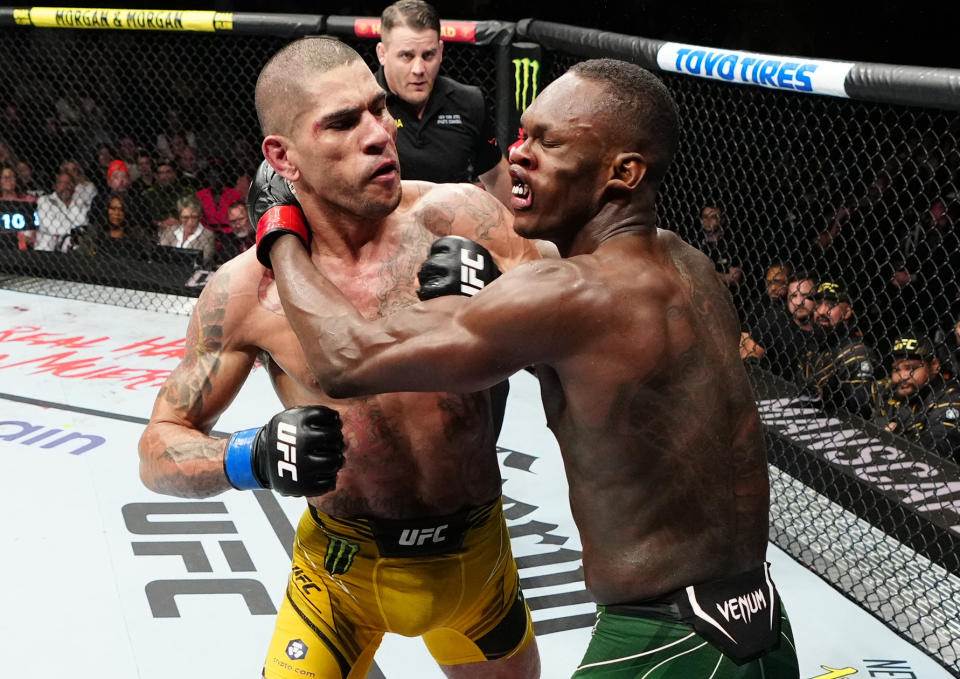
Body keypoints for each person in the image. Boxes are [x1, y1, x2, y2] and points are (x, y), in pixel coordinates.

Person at [264, 57, 799, 677]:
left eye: (549, 142)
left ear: (622, 173)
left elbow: (346, 360)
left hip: (664, 646)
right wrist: (493, 293)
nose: (519, 155)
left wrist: (279, 228)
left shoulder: (567, 294)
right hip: (760, 623)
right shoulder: (689, 264)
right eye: (522, 135)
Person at [139, 37, 542, 679]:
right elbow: (158, 449)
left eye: (378, 110)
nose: (380, 134)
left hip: (478, 558)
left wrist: (507, 289)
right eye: (343, 122)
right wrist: (248, 455)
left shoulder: (454, 214)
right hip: (339, 578)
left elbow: (578, 286)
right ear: (283, 156)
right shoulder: (247, 290)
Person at [375, 0, 513, 208]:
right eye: (407, 56)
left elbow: (494, 174)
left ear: (440, 51)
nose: (419, 69)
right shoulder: (362, 105)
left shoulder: (468, 102)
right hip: (381, 231)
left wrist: (521, 235)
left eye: (428, 55)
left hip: (452, 231)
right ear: (382, 54)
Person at [874, 331, 960, 463]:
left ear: (934, 365)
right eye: (896, 369)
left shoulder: (951, 398)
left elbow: (938, 448)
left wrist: (894, 441)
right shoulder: (887, 389)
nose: (902, 376)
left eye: (910, 368)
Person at [799, 279, 877, 419]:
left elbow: (860, 410)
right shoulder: (816, 343)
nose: (821, 311)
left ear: (847, 312)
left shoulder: (856, 353)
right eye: (818, 304)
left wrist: (828, 393)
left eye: (831, 305)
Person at [35, 170, 90, 252]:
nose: (65, 186)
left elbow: (83, 225)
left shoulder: (80, 203)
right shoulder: (44, 201)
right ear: (56, 186)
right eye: (61, 183)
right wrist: (75, 232)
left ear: (74, 186)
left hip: (73, 253)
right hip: (46, 251)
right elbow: (52, 228)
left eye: (68, 183)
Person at [158, 194, 216, 266]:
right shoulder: (171, 230)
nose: (190, 222)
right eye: (185, 218)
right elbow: (161, 254)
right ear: (180, 217)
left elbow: (203, 259)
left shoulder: (208, 235)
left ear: (200, 216)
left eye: (194, 217)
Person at [215, 200, 254, 265]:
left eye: (241, 219)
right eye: (233, 221)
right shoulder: (226, 240)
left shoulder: (259, 237)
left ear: (249, 217)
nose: (238, 225)